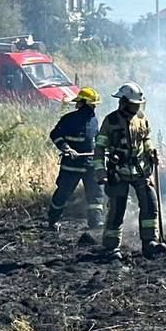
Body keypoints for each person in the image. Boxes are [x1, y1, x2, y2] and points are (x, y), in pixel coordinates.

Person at [95, 82, 163, 259]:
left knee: (150, 204)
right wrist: (100, 171)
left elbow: (146, 138)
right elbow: (100, 148)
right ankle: (111, 248)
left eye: (138, 104)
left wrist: (151, 151)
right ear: (123, 102)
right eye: (134, 104)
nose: (137, 107)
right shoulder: (110, 121)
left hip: (141, 170)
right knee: (117, 209)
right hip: (118, 171)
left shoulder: (142, 118)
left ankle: (149, 242)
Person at [46, 87, 104, 231]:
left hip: (90, 165)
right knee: (63, 193)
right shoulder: (69, 119)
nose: (94, 107)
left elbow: (96, 139)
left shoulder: (94, 121)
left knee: (95, 194)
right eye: (92, 104)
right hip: (71, 166)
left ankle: (95, 222)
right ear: (83, 103)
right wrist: (67, 149)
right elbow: (55, 135)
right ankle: (53, 221)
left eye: (95, 105)